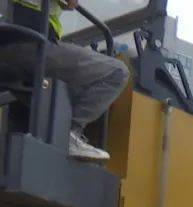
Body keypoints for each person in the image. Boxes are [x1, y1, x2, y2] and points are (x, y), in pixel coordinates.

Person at [1, 0, 129, 161]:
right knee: (116, 73)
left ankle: (29, 137)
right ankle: (67, 135)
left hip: (12, 44)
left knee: (56, 92)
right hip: (25, 41)